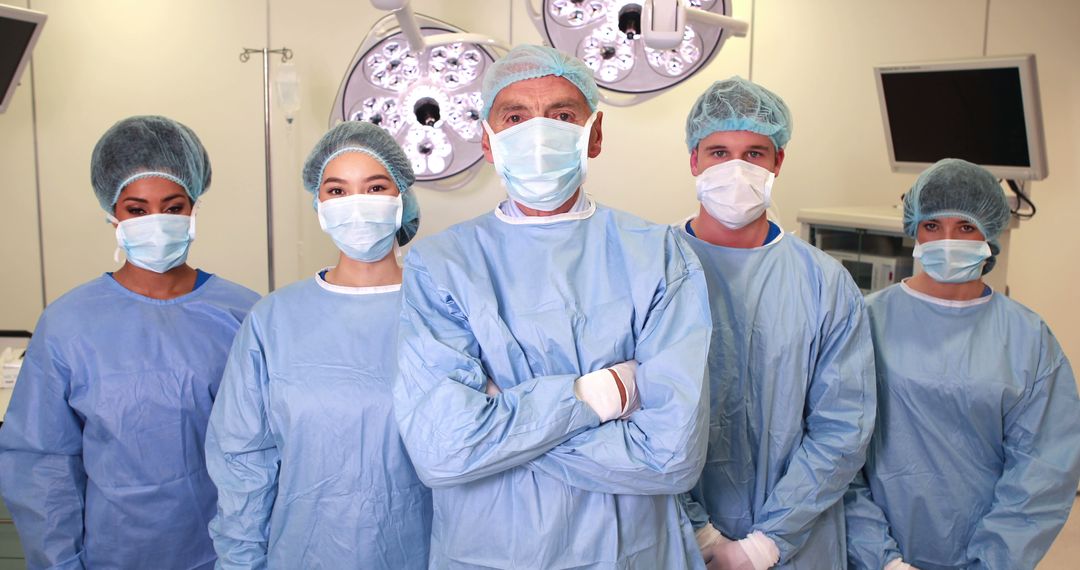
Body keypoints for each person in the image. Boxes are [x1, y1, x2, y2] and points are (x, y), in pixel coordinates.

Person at [393, 44, 713, 569]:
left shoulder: (658, 255)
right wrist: (605, 393)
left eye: (562, 115)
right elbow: (442, 449)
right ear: (489, 141)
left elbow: (671, 457)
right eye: (514, 117)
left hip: (629, 552)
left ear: (596, 134)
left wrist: (502, 424)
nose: (537, 133)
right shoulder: (443, 265)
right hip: (490, 551)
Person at [0, 115, 260, 570]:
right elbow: (43, 466)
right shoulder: (68, 325)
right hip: (111, 556)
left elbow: (265, 456)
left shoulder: (244, 315)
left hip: (224, 556)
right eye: (137, 210)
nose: (155, 222)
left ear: (194, 207)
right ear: (111, 212)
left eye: (173, 206)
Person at [205, 121, 431, 569]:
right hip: (302, 552)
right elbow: (244, 462)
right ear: (318, 203)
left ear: (401, 197)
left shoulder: (441, 311)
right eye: (337, 191)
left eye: (375, 186)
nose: (357, 205)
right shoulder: (274, 320)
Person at [676, 77, 876, 570]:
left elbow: (842, 428)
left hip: (796, 542)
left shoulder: (824, 283)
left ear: (778, 162)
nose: (737, 169)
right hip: (674, 536)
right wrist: (698, 531)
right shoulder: (653, 269)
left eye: (755, 153)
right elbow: (641, 421)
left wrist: (766, 543)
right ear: (694, 160)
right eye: (719, 151)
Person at [844, 158, 1080, 570]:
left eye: (965, 227)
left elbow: (1043, 470)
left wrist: (990, 563)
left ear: (990, 232)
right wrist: (882, 560)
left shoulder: (1027, 339)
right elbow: (837, 451)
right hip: (871, 556)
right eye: (932, 226)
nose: (947, 240)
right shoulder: (863, 323)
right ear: (913, 228)